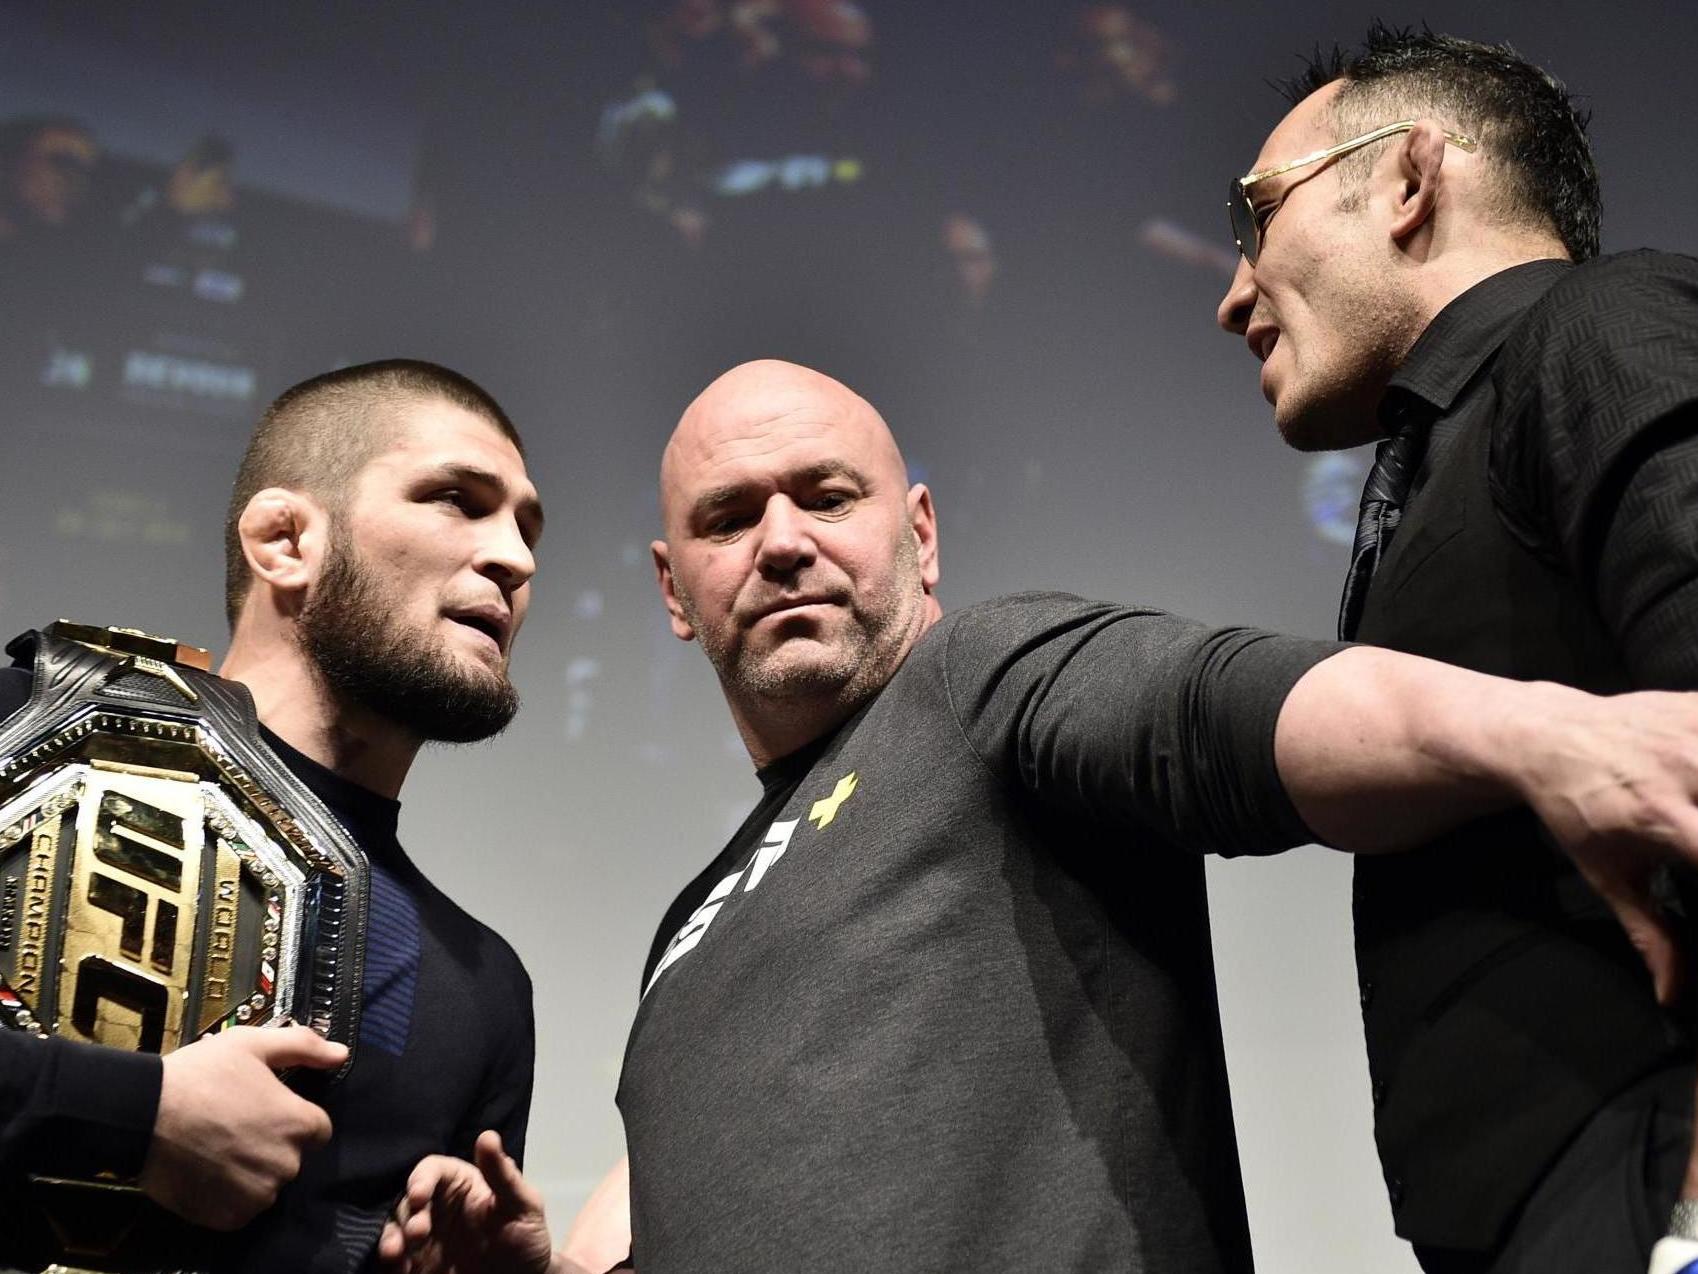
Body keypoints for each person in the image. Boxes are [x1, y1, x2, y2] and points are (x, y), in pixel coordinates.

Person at [385, 358, 1698, 1274]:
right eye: (728, 519)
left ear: (920, 534)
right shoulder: (679, 941)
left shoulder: (978, 680)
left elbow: (1225, 710)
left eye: (825, 496)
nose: (780, 540)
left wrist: (1549, 736)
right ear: (675, 591)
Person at [1215, 25, 1698, 1274]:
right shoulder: (1457, 448)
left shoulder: (1600, 327)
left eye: (1256, 214)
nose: (1232, 295)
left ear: (1411, 180)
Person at [0, 358, 542, 1272]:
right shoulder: (22, 733)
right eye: (458, 499)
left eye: (529, 529)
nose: (516, 559)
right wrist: (135, 1114)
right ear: (285, 539)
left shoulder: (482, 988)